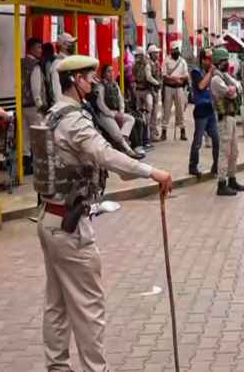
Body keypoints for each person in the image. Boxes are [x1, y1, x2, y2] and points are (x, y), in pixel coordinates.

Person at [35, 54, 173, 372]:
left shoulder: (55, 113)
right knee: (89, 306)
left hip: (51, 219)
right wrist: (152, 172)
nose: (93, 82)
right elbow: (105, 154)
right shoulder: (73, 120)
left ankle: (57, 367)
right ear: (75, 81)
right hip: (70, 228)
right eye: (88, 77)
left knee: (57, 304)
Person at [211, 48, 244, 196]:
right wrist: (234, 89)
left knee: (234, 151)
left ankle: (232, 178)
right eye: (225, 60)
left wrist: (235, 88)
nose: (227, 63)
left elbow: (238, 87)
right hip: (224, 117)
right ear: (219, 62)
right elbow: (231, 94)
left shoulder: (224, 76)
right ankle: (221, 183)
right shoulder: (216, 79)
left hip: (230, 116)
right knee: (225, 152)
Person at [92, 65, 142, 159]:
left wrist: (121, 112)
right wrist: (112, 115)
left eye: (112, 71)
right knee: (117, 134)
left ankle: (124, 137)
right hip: (104, 115)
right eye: (108, 72)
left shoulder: (115, 84)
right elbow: (100, 104)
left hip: (115, 112)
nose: (111, 73)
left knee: (130, 119)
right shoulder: (100, 86)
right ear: (103, 74)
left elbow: (120, 100)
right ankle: (129, 151)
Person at [188, 48, 220, 178]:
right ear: (203, 60)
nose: (211, 61)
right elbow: (201, 86)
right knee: (197, 141)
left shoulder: (210, 72)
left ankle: (216, 166)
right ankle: (193, 166)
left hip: (210, 110)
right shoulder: (196, 72)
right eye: (208, 59)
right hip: (201, 110)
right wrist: (210, 73)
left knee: (216, 139)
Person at [22, 37, 47, 177]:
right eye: (38, 47)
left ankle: (26, 165)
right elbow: (36, 88)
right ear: (31, 48)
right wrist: (40, 106)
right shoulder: (35, 66)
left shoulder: (20, 63)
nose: (40, 50)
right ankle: (38, 164)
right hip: (33, 106)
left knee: (25, 137)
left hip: (22, 106)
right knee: (38, 136)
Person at [161, 41, 189, 142]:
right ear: (171, 51)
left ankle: (182, 132)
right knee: (166, 110)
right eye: (173, 50)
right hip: (168, 88)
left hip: (179, 88)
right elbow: (164, 75)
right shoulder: (166, 61)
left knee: (180, 110)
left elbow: (186, 75)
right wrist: (174, 79)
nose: (175, 52)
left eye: (176, 50)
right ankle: (163, 132)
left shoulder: (182, 61)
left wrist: (179, 79)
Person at [47, 33, 77, 103]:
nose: (73, 45)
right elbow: (56, 88)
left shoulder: (70, 61)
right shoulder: (57, 63)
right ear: (63, 46)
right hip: (65, 104)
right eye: (70, 43)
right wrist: (60, 106)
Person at [146, 45, 163, 140]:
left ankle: (152, 134)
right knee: (150, 112)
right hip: (149, 91)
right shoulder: (148, 64)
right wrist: (157, 83)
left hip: (155, 91)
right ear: (151, 54)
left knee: (154, 113)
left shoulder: (156, 63)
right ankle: (148, 135)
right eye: (156, 53)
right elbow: (148, 77)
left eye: (158, 52)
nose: (157, 54)